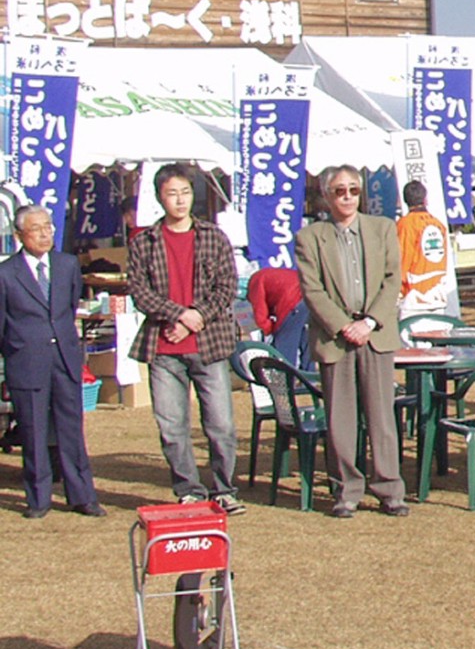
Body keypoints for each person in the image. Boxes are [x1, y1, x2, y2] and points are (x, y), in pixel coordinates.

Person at [125, 164, 243, 512]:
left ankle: (225, 488)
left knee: (221, 423)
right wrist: (178, 315)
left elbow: (226, 287)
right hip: (163, 346)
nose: (179, 200)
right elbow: (139, 292)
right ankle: (188, 487)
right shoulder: (144, 241)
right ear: (160, 197)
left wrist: (195, 319)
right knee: (171, 425)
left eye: (185, 193)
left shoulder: (213, 236)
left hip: (209, 344)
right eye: (172, 193)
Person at [294, 165, 408, 519]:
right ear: (326, 196)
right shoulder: (310, 237)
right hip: (336, 337)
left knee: (381, 418)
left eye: (353, 190)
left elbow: (393, 280)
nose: (347, 197)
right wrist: (344, 326)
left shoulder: (382, 229)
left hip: (376, 335)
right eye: (340, 191)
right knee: (341, 419)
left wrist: (370, 321)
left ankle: (390, 488)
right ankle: (346, 490)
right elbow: (311, 288)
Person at [0, 206, 103, 518]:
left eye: (48, 227)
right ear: (20, 236)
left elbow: (70, 306)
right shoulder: (6, 274)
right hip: (26, 360)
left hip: (64, 358)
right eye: (36, 229)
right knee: (32, 431)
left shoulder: (67, 265)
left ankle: (82, 495)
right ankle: (38, 498)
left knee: (71, 428)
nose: (45, 234)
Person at [395, 181, 455, 318]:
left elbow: (401, 260)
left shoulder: (405, 225)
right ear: (425, 199)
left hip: (414, 299)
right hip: (437, 294)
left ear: (405, 200)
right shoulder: (438, 224)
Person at [247, 264, 311, 372]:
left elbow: (260, 312)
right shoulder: (267, 274)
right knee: (306, 339)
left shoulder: (255, 282)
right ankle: (310, 378)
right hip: (310, 293)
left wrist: (268, 330)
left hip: (292, 300)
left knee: (285, 344)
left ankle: (285, 381)